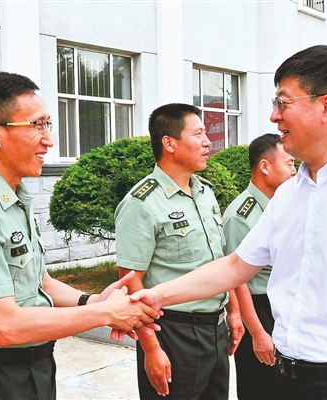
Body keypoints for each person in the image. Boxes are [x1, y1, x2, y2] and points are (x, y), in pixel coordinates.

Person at [131, 45, 327, 400]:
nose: (273, 116)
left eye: (282, 103)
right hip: (287, 379)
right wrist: (155, 295)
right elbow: (235, 266)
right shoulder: (290, 194)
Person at [0, 71, 159, 400]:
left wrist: (92, 300)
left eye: (47, 125)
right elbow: (5, 326)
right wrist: (105, 314)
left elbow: (39, 282)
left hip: (34, 370)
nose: (49, 140)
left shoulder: (14, 198)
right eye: (36, 125)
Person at [114, 103, 243, 399]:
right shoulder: (141, 203)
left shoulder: (205, 192)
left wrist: (234, 312)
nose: (208, 142)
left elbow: (221, 260)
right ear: (169, 143)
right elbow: (130, 283)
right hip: (173, 333)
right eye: (198, 134)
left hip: (215, 329)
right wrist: (151, 348)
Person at [222, 133, 296, 400]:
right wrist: (258, 333)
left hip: (282, 306)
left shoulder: (284, 204)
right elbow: (236, 280)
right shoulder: (240, 216)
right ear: (265, 166)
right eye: (289, 163)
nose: (294, 170)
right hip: (258, 311)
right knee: (260, 388)